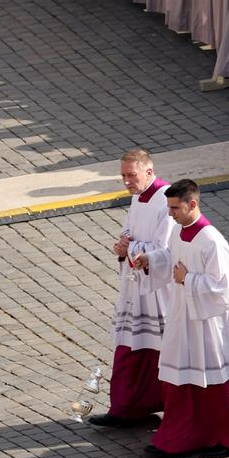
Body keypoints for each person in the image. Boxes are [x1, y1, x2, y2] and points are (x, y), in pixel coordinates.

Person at [131, 179, 229, 458]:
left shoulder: (211, 240)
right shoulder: (179, 231)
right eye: (169, 207)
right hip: (184, 313)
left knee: (215, 377)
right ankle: (184, 433)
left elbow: (227, 284)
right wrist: (150, 260)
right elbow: (170, 256)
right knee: (180, 374)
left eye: (175, 208)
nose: (170, 213)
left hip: (211, 322)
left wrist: (189, 279)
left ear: (193, 204)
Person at [89, 149, 173, 427]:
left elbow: (166, 249)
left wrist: (132, 248)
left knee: (162, 349)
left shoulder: (168, 201)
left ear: (149, 172)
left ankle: (164, 406)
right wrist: (123, 244)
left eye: (131, 175)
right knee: (129, 344)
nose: (126, 181)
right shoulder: (139, 196)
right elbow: (130, 230)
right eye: (123, 176)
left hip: (158, 289)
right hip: (135, 284)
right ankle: (126, 407)